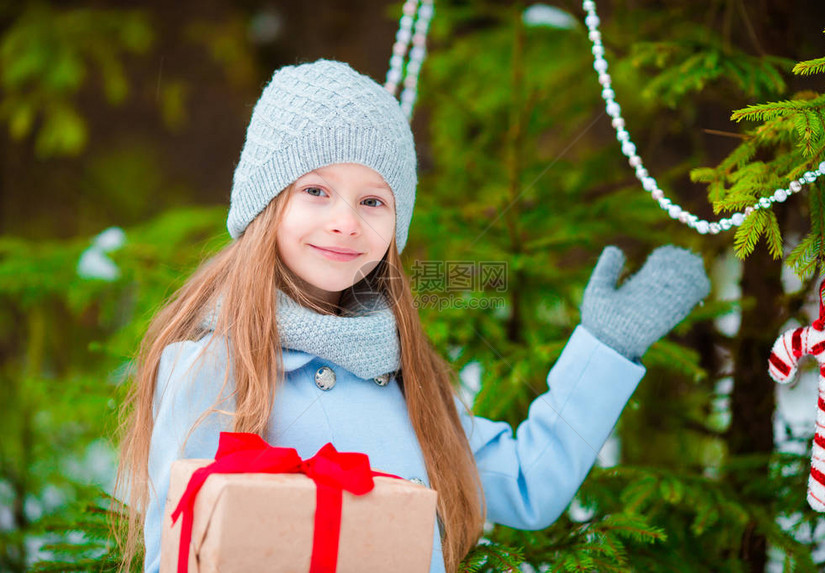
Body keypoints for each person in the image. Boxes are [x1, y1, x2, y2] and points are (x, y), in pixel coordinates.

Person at [112, 59, 711, 573]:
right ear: (266, 203)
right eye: (316, 191)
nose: (346, 221)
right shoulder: (215, 366)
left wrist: (605, 346)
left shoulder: (407, 378)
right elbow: (182, 549)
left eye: (373, 201)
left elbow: (531, 485)